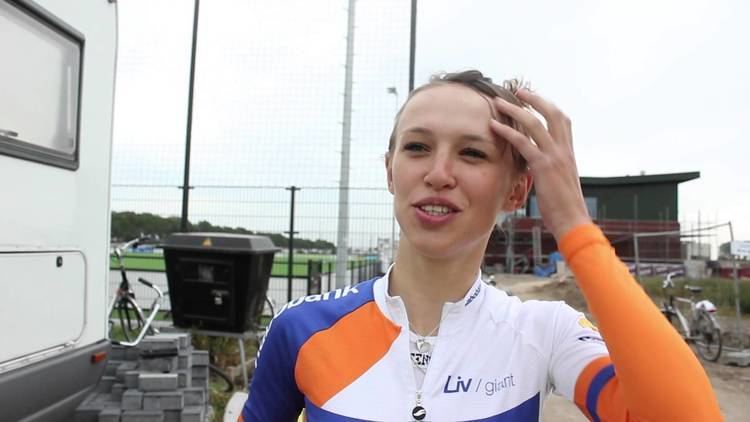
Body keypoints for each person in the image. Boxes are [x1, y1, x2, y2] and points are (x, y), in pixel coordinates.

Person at [240, 70, 722, 421]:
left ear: (516, 191)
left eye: (472, 153)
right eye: (417, 147)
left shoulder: (543, 331)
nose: (438, 174)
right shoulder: (300, 329)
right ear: (390, 170)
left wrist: (576, 227)